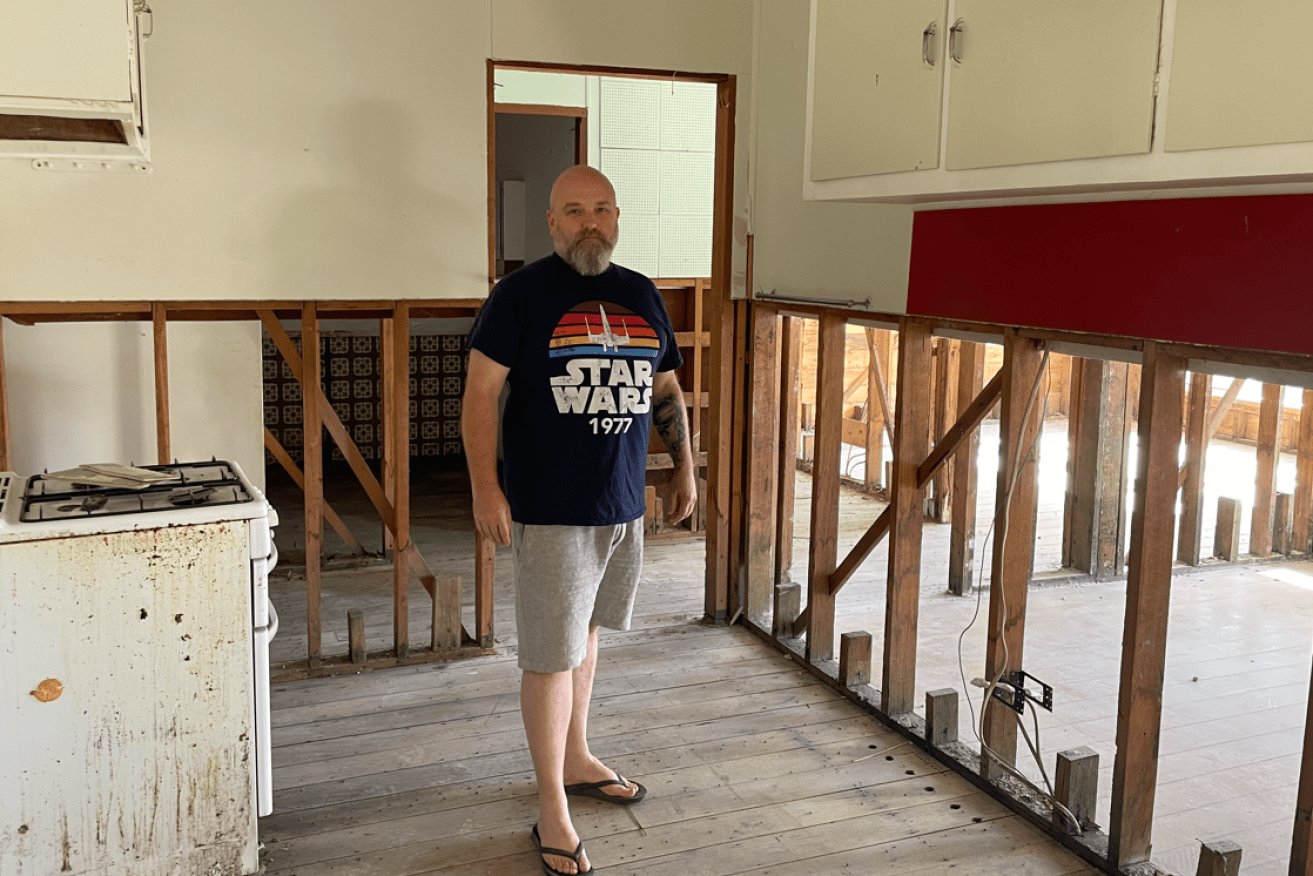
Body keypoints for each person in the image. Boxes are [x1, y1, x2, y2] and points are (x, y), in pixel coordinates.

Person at [462, 165, 696, 875]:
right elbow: (479, 395)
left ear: (616, 216)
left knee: (586, 637)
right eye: (573, 210)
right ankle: (549, 805)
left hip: (620, 502)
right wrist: (483, 488)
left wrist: (685, 465)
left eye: (600, 209)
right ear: (552, 222)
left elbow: (664, 385)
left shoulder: (639, 292)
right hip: (551, 506)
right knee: (548, 654)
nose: (589, 222)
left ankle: (575, 756)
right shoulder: (520, 295)